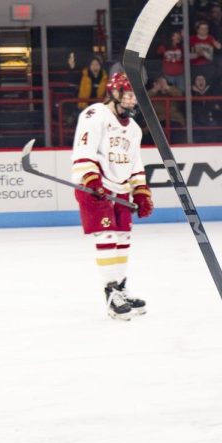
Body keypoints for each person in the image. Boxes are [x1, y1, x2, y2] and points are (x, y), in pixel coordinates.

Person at [70, 72, 153, 320]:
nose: (131, 101)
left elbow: (136, 163)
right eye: (127, 96)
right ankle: (110, 293)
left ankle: (120, 288)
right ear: (114, 93)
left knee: (123, 237)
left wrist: (140, 191)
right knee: (106, 236)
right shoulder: (95, 115)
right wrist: (91, 179)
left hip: (120, 189)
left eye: (134, 97)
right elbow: (83, 149)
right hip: (94, 186)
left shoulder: (135, 129)